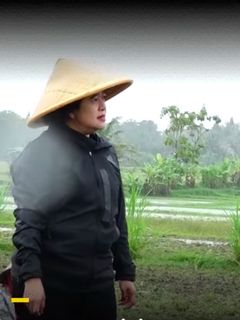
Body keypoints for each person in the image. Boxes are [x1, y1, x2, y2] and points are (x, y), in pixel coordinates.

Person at [9, 58, 136, 320]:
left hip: (98, 280)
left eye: (103, 98)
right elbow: (28, 219)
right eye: (94, 100)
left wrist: (125, 272)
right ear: (69, 109)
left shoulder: (106, 152)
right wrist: (32, 278)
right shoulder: (43, 154)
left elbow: (116, 215)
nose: (103, 106)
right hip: (51, 281)